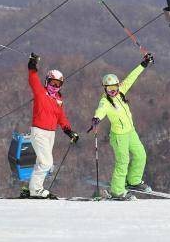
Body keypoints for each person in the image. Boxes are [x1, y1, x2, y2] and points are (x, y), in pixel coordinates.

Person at [92, 53, 154, 201]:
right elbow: (100, 110)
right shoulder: (105, 102)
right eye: (109, 89)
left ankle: (133, 180)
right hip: (119, 136)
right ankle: (117, 191)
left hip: (131, 132)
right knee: (123, 161)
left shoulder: (121, 92)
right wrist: (96, 118)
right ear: (105, 89)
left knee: (141, 155)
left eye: (114, 87)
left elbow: (132, 77)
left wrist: (143, 64)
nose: (112, 91)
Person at [24, 53, 79, 199]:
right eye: (52, 83)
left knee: (41, 162)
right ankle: (36, 190)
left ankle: (33, 188)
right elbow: (33, 79)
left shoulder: (59, 100)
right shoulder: (40, 93)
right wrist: (32, 64)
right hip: (39, 132)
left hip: (50, 134)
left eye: (58, 84)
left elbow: (61, 117)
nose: (55, 86)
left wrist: (69, 131)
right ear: (47, 82)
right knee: (47, 162)